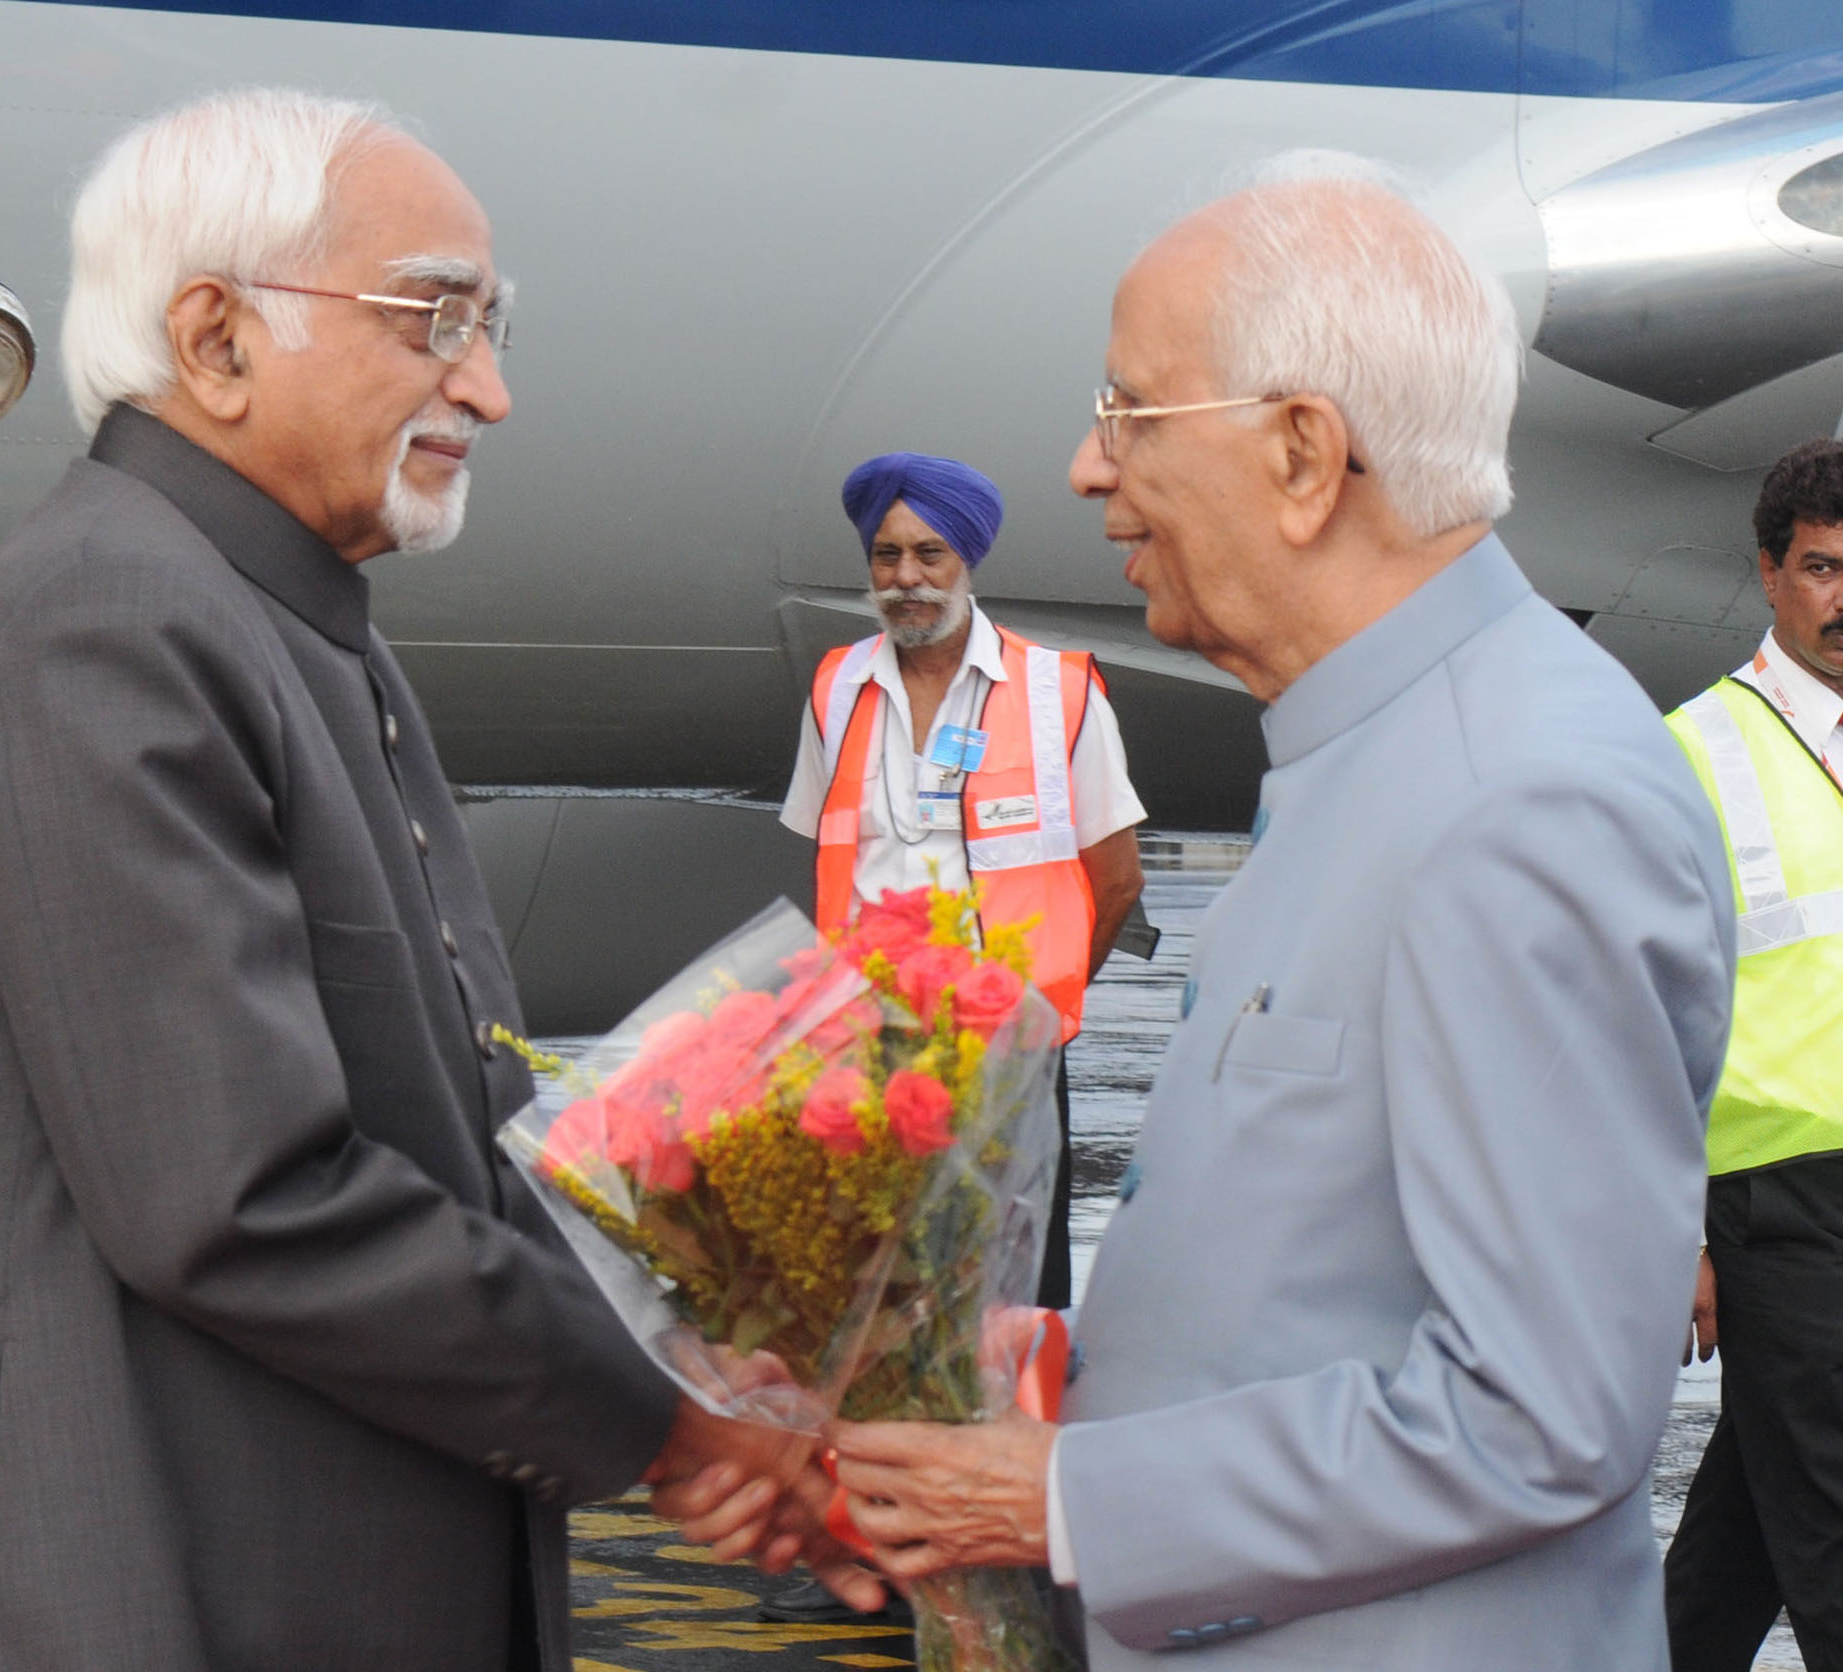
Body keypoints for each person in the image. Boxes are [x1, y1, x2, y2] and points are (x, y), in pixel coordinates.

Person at [0, 88, 856, 1672]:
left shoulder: (264, 620)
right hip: (123, 1600)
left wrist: (688, 1345)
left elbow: (434, 1146)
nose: (487, 389)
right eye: (434, 318)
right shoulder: (114, 624)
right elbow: (240, 1197)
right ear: (215, 338)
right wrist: (668, 1431)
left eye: (493, 325)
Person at [673, 156, 1736, 1668]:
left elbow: (1539, 1415)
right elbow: (1333, 1280)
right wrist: (1020, 1384)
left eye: (1128, 414)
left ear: (1305, 453)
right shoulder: (1370, 754)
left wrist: (1069, 1496)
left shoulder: (1519, 799)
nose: (1085, 470)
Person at [780, 451, 1147, 1312]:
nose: (907, 578)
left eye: (929, 554)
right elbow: (825, 858)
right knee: (877, 1296)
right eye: (886, 555)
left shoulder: (1061, 692)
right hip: (871, 1051)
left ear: (968, 561)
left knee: (1009, 1293)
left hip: (1006, 1056)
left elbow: (1118, 881)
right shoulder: (836, 687)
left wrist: (1032, 1012)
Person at [1663, 437, 1843, 1672]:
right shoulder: (1692, 751)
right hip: (1775, 1199)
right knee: (1831, 1522)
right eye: (1825, 569)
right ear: (1770, 576)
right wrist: (1672, 1225)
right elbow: (1637, 1013)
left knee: (1750, 1519)